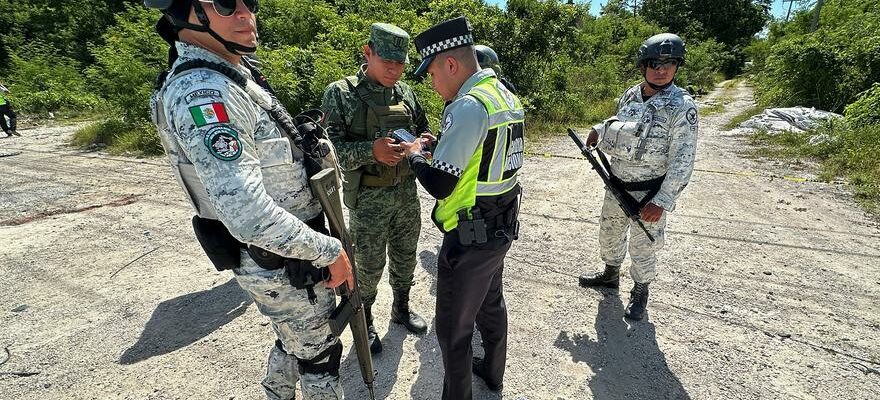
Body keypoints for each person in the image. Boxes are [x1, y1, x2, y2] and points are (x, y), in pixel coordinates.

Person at [144, 0, 354, 398]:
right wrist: (329, 250)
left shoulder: (233, 73)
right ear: (184, 13)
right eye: (225, 3)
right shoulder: (204, 92)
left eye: (250, 3)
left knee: (294, 340)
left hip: (290, 254)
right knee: (320, 357)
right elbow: (247, 214)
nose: (245, 15)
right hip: (283, 258)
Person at [402, 16, 524, 400]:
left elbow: (440, 183)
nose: (434, 84)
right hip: (500, 228)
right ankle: (493, 372)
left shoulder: (468, 105)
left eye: (434, 74)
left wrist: (414, 155)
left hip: (469, 239)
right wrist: (442, 142)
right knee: (491, 305)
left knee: (454, 332)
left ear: (451, 64)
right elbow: (484, 157)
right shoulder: (504, 95)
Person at [320, 23, 429, 355]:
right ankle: (364, 320)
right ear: (368, 52)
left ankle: (402, 307)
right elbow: (328, 150)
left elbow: (422, 128)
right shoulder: (340, 93)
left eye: (400, 64)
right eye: (387, 62)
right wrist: (372, 151)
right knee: (367, 266)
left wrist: (425, 141)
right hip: (368, 198)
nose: (394, 70)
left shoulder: (407, 94)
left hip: (406, 194)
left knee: (406, 256)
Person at [577, 33, 699, 321]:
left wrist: (663, 200)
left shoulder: (682, 106)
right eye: (655, 63)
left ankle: (640, 290)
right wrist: (599, 129)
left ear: (677, 66)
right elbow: (621, 122)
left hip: (651, 191)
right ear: (644, 65)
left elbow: (684, 159)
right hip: (617, 184)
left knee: (644, 245)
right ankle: (610, 274)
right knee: (609, 234)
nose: (662, 69)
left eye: (670, 63)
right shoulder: (632, 94)